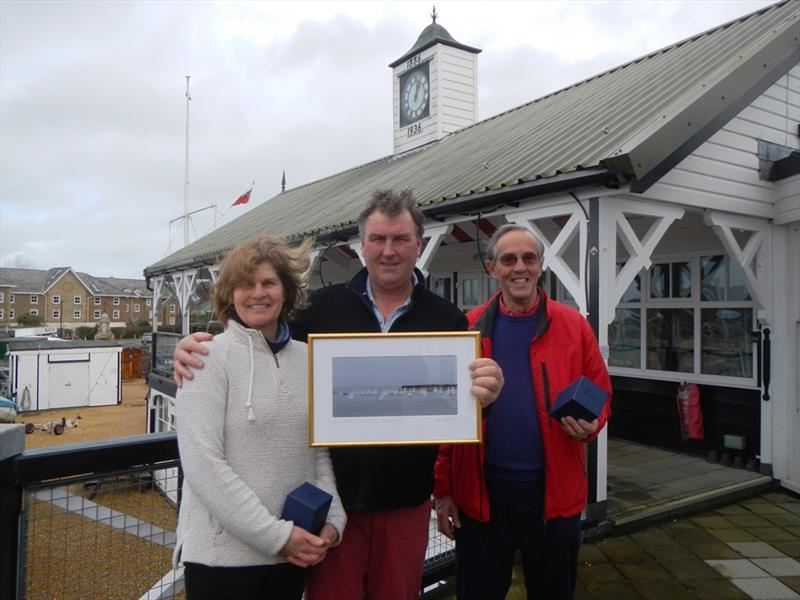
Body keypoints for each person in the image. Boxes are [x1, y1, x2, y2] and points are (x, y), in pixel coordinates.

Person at [173, 190, 504, 600]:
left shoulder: (447, 320)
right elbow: (256, 336)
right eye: (378, 239)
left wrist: (485, 400)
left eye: (400, 239)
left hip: (405, 503)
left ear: (418, 244)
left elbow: (454, 414)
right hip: (330, 511)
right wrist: (191, 347)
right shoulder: (318, 310)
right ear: (360, 245)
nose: (388, 250)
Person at [433, 224, 612, 600]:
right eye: (508, 259)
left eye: (528, 258)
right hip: (481, 494)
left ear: (541, 266)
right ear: (492, 268)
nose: (520, 268)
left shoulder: (574, 326)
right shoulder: (467, 329)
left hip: (554, 492)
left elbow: (601, 392)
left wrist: (591, 426)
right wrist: (444, 490)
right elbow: (448, 419)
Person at [173, 236, 346, 600]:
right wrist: (276, 536)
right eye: (245, 284)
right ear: (230, 294)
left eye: (269, 282)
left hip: (289, 559)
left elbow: (318, 451)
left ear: (286, 291)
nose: (258, 293)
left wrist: (334, 519)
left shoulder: (309, 358)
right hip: (221, 563)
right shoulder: (205, 358)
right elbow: (204, 465)